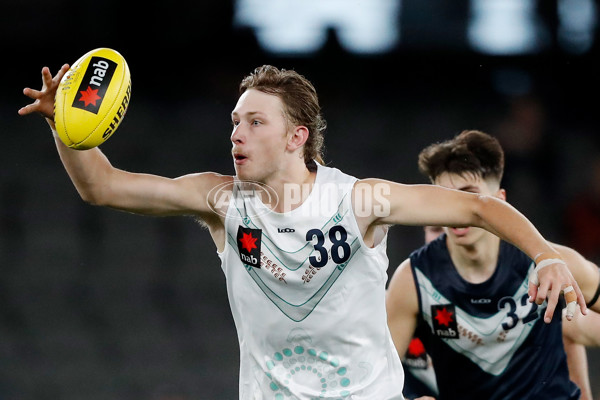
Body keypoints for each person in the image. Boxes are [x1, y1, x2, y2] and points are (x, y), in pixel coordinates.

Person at [20, 64, 586, 399]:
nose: (237, 133)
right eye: (235, 121)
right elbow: (103, 188)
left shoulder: (359, 200)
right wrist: (66, 127)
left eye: (255, 121)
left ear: (297, 137)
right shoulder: (220, 201)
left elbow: (480, 210)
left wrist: (544, 255)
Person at [386, 130, 600, 400]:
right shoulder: (413, 280)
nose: (458, 209)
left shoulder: (551, 264)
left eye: (470, 195)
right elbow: (377, 380)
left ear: (499, 200)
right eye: (446, 197)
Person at [400, 225, 600, 400]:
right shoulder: (404, 305)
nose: (445, 238)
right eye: (435, 230)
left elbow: (579, 322)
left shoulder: (520, 305)